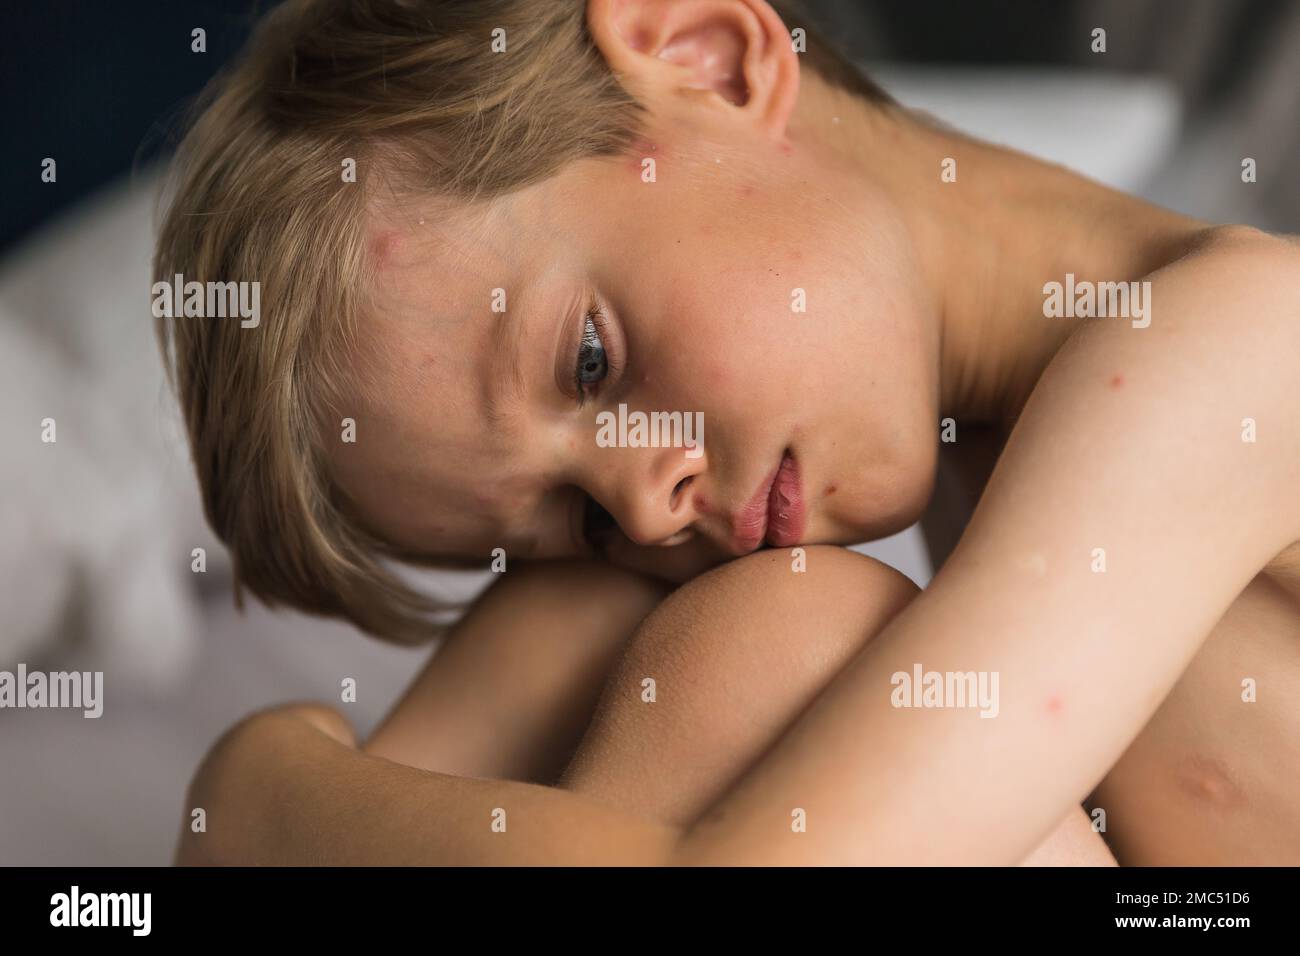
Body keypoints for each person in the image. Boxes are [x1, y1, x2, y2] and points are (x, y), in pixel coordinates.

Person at [158, 0, 1300, 865]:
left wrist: (259, 791)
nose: (646, 504)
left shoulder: (1240, 338)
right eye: (583, 516)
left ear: (710, 52)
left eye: (588, 361)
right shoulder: (972, 443)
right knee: (603, 611)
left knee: (784, 641)